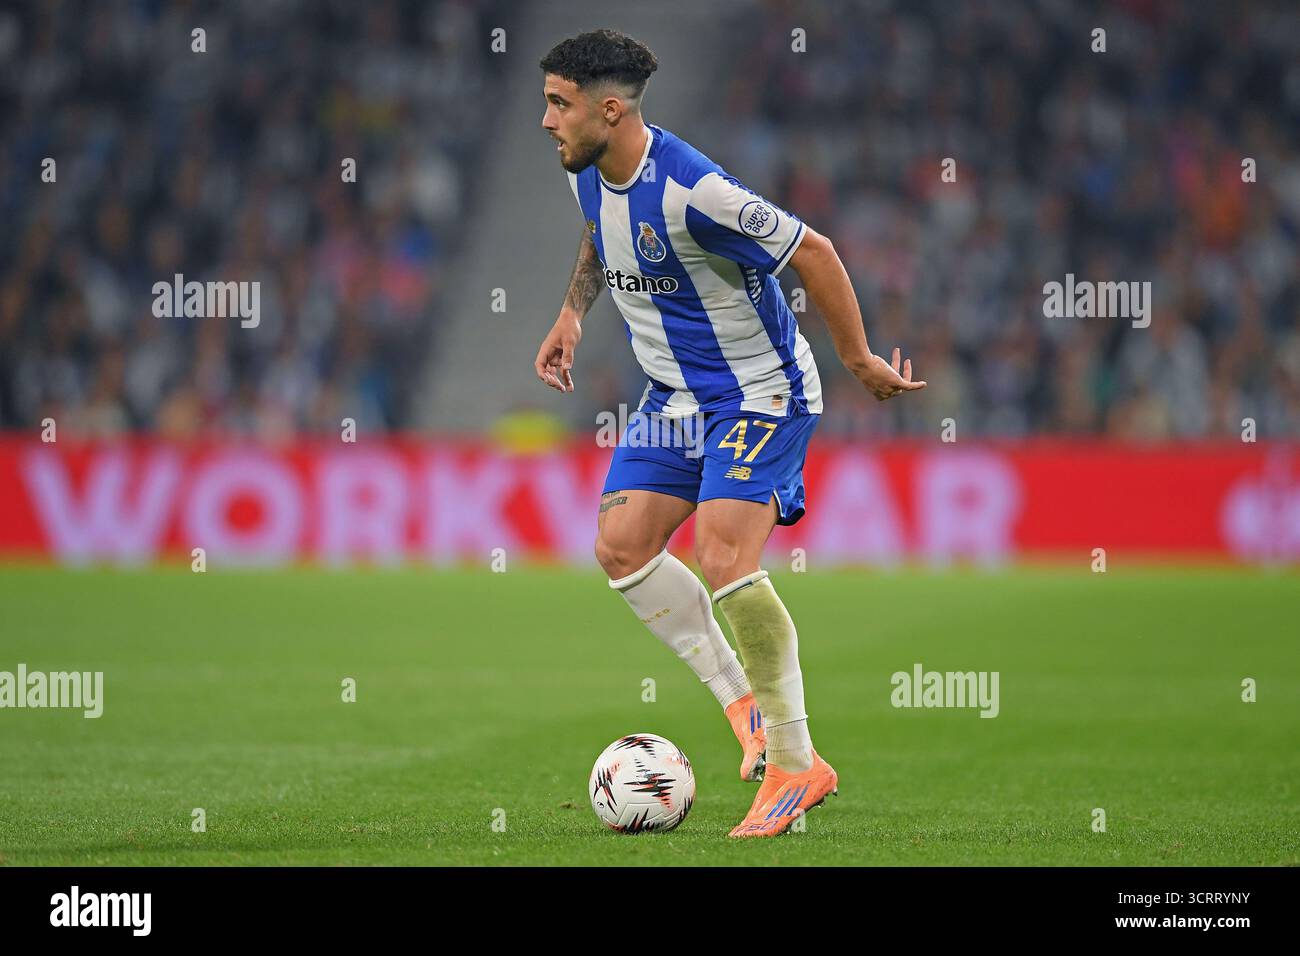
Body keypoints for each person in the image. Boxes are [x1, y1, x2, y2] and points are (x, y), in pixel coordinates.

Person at [534, 29, 925, 837]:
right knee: (620, 546)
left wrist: (855, 357)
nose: (547, 121)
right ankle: (742, 703)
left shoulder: (695, 189)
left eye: (558, 104)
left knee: (721, 555)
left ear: (610, 109)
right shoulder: (588, 169)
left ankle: (795, 762)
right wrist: (572, 312)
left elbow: (811, 249)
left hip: (758, 391)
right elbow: (599, 234)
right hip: (675, 394)